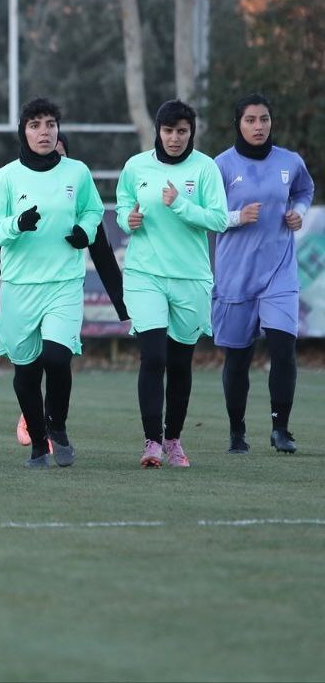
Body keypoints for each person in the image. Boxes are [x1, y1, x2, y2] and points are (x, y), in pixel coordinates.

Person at [0, 98, 105, 468]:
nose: (44, 131)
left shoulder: (77, 172)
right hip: (19, 287)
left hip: (64, 283)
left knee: (57, 358)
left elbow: (93, 209)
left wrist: (85, 230)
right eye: (35, 125)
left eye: (50, 124)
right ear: (23, 131)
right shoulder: (7, 177)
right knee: (26, 370)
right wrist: (15, 225)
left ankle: (57, 426)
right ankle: (37, 444)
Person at [116, 100, 228, 468]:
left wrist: (180, 204)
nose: (175, 138)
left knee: (180, 363)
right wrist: (127, 219)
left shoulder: (206, 168)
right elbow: (123, 206)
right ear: (158, 132)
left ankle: (173, 439)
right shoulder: (136, 166)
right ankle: (151, 442)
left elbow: (218, 220)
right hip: (144, 274)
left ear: (191, 132)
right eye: (168, 131)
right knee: (154, 357)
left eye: (182, 131)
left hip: (190, 277)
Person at [213, 93, 314, 454]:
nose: (259, 126)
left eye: (264, 119)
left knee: (283, 348)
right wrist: (236, 217)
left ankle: (280, 429)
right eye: (251, 120)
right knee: (238, 359)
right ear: (237, 124)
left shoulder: (290, 161)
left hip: (279, 274)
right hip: (235, 276)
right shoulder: (220, 166)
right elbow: (205, 215)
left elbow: (304, 190)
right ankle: (236, 432)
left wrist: (299, 211)